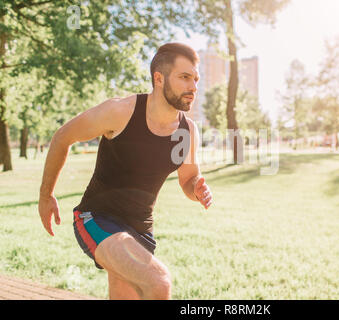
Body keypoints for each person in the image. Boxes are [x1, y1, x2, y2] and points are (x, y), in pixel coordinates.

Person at [38, 43, 212, 300]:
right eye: (185, 77)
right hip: (97, 218)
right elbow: (63, 137)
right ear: (159, 78)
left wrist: (196, 189)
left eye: (196, 79)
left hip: (140, 229)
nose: (193, 87)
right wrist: (46, 195)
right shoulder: (120, 112)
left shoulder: (187, 132)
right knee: (158, 282)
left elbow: (187, 178)